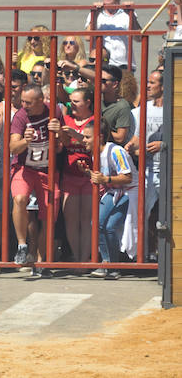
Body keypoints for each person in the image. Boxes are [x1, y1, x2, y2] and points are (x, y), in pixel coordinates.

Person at [9, 84, 64, 269]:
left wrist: (60, 131)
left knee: (48, 215)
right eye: (23, 101)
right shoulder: (20, 116)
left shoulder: (55, 110)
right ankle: (22, 246)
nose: (24, 105)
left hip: (47, 170)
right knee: (19, 198)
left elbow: (65, 142)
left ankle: (41, 260)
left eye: (29, 102)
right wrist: (26, 140)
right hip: (25, 168)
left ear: (41, 101)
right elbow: (12, 148)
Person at [81, 121, 137, 280]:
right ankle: (107, 263)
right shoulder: (95, 153)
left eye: (87, 137)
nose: (83, 140)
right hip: (114, 191)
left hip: (130, 192)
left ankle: (113, 265)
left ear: (99, 137)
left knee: (110, 226)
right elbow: (103, 179)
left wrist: (105, 178)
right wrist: (87, 173)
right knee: (96, 224)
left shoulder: (116, 151)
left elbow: (128, 177)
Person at [125, 70, 163, 260]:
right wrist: (132, 146)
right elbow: (136, 139)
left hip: (168, 171)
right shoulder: (140, 111)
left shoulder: (173, 109)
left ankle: (165, 255)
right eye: (147, 82)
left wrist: (164, 146)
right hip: (146, 170)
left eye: (152, 82)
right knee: (142, 214)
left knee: (168, 215)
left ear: (163, 86)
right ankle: (143, 255)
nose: (147, 86)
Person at [58, 88, 95, 263]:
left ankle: (85, 258)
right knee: (71, 220)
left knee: (86, 220)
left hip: (89, 176)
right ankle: (77, 257)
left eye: (77, 101)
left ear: (88, 102)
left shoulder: (96, 120)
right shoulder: (66, 120)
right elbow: (61, 145)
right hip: (69, 175)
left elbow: (98, 145)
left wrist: (77, 136)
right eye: (70, 101)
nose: (72, 104)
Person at [84, 0, 141, 70]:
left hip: (123, 65)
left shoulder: (127, 14)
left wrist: (130, 13)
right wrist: (95, 14)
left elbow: (139, 38)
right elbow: (88, 37)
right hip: (100, 64)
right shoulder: (94, 13)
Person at [100, 65, 134, 146]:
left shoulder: (122, 107)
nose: (99, 83)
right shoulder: (96, 100)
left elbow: (120, 138)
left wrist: (98, 131)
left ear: (115, 84)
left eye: (103, 81)